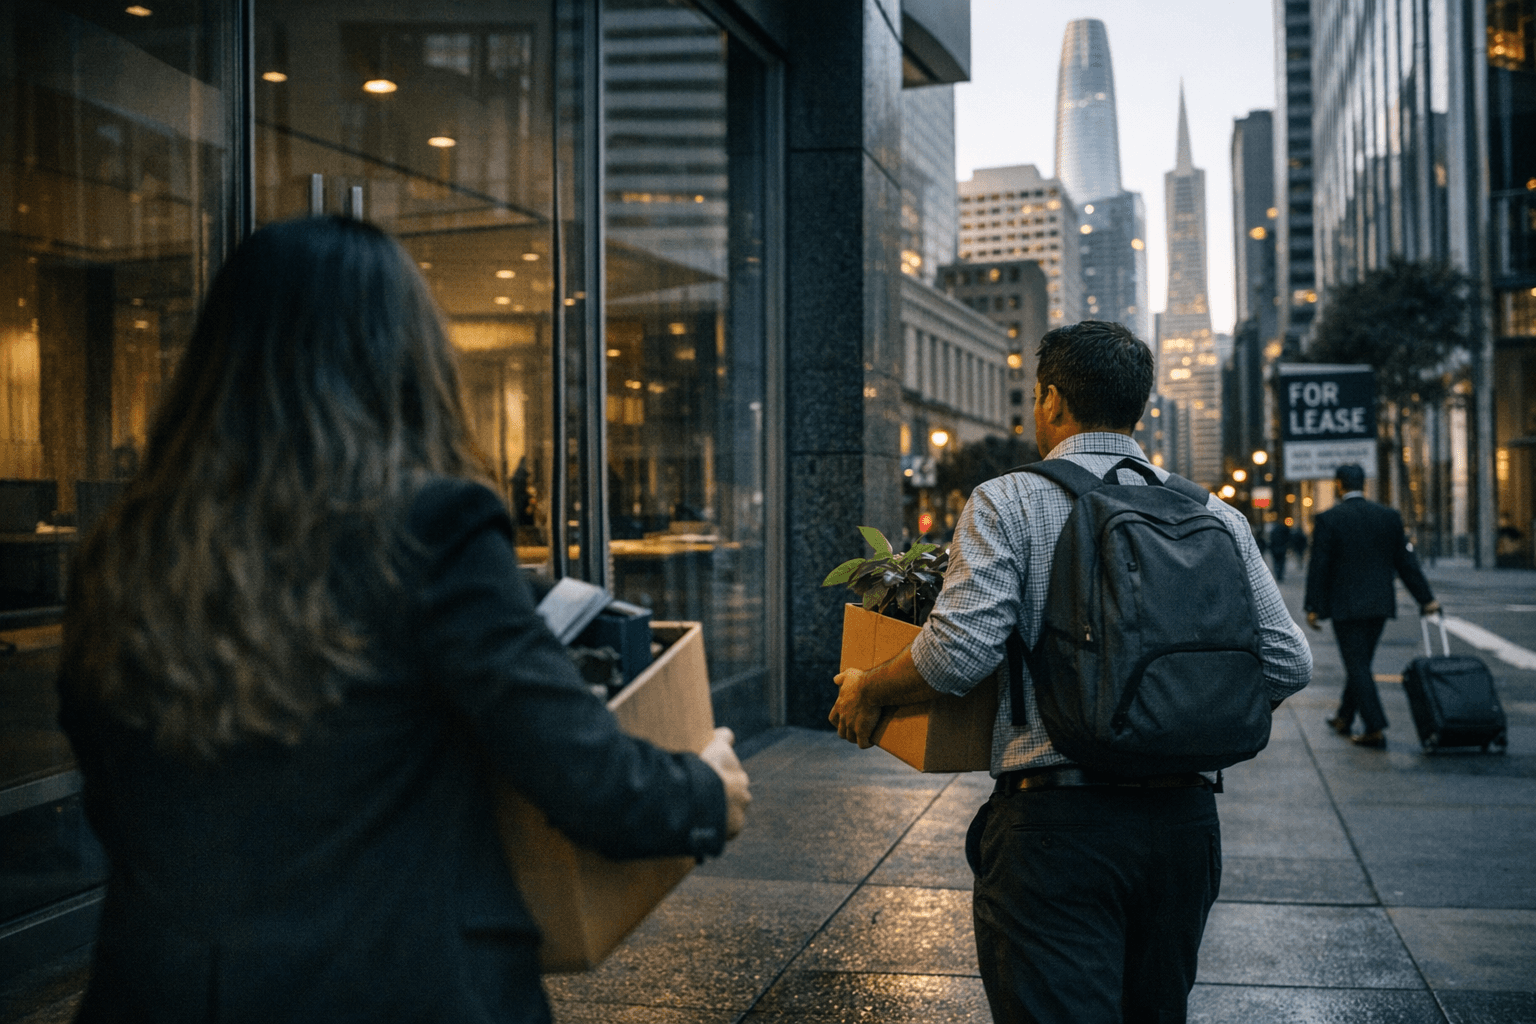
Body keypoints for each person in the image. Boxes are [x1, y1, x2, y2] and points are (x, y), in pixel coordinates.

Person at [55, 217, 751, 1023]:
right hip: (393, 987)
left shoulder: (124, 548)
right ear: (404, 360)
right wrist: (705, 791)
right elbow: (577, 769)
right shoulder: (433, 528)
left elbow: (112, 803)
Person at [829, 321, 1311, 1024]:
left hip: (1057, 826)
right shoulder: (1215, 513)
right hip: (1184, 828)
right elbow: (1288, 662)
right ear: (1136, 407)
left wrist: (868, 688)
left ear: (1051, 400)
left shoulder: (1009, 500)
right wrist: (1180, 713)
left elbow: (959, 653)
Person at [1304, 463, 1438, 748]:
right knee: (1361, 663)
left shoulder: (1329, 518)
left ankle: (1374, 727)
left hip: (1346, 606)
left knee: (1357, 666)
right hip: (1379, 604)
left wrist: (1313, 606)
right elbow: (1406, 562)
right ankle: (1344, 716)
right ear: (1363, 484)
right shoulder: (1388, 516)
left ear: (1339, 485)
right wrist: (1426, 599)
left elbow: (1319, 566)